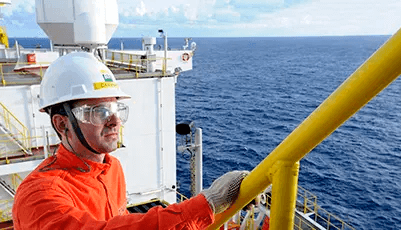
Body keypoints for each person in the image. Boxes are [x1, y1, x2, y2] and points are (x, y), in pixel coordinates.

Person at [12, 52, 248, 229]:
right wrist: (208, 203)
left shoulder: (111, 168)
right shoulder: (39, 195)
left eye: (116, 108)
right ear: (62, 124)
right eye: (98, 111)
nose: (115, 121)